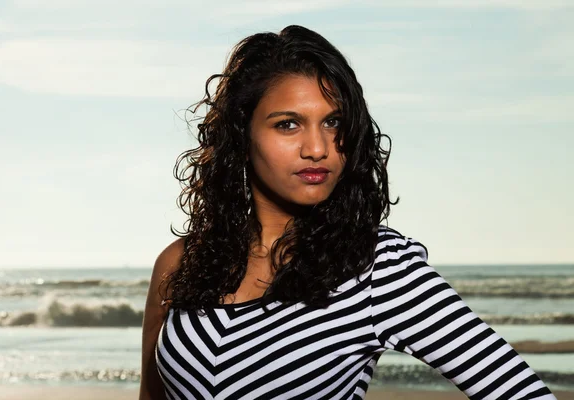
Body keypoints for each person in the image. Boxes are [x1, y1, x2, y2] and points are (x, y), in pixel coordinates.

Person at [140, 25, 556, 400]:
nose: (318, 148)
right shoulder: (181, 262)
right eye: (288, 124)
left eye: (334, 122)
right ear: (241, 135)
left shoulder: (377, 268)